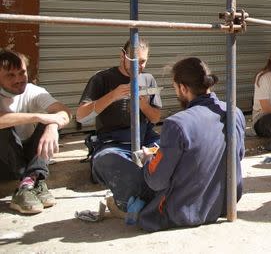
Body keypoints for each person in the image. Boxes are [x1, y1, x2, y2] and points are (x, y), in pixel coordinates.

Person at [137, 57, 245, 231]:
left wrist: (149, 159)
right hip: (225, 204)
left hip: (183, 212)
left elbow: (156, 181)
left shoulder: (177, 123)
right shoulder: (235, 112)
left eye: (175, 88)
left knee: (144, 177)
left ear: (183, 88)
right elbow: (238, 155)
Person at [75, 39, 162, 212]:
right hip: (113, 144)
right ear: (122, 55)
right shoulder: (101, 79)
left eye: (143, 61)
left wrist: (143, 106)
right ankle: (147, 192)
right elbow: (80, 116)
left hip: (146, 140)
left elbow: (155, 118)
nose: (139, 66)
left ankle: (143, 190)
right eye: (134, 61)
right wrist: (113, 96)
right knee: (105, 161)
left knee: (173, 150)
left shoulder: (149, 79)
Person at [0, 50, 71, 214]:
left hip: (24, 155)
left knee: (48, 122)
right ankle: (31, 181)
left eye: (22, 72)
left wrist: (52, 126)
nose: (18, 79)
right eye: (10, 75)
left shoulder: (33, 91)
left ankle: (30, 182)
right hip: (3, 162)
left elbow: (65, 112)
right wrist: (38, 116)